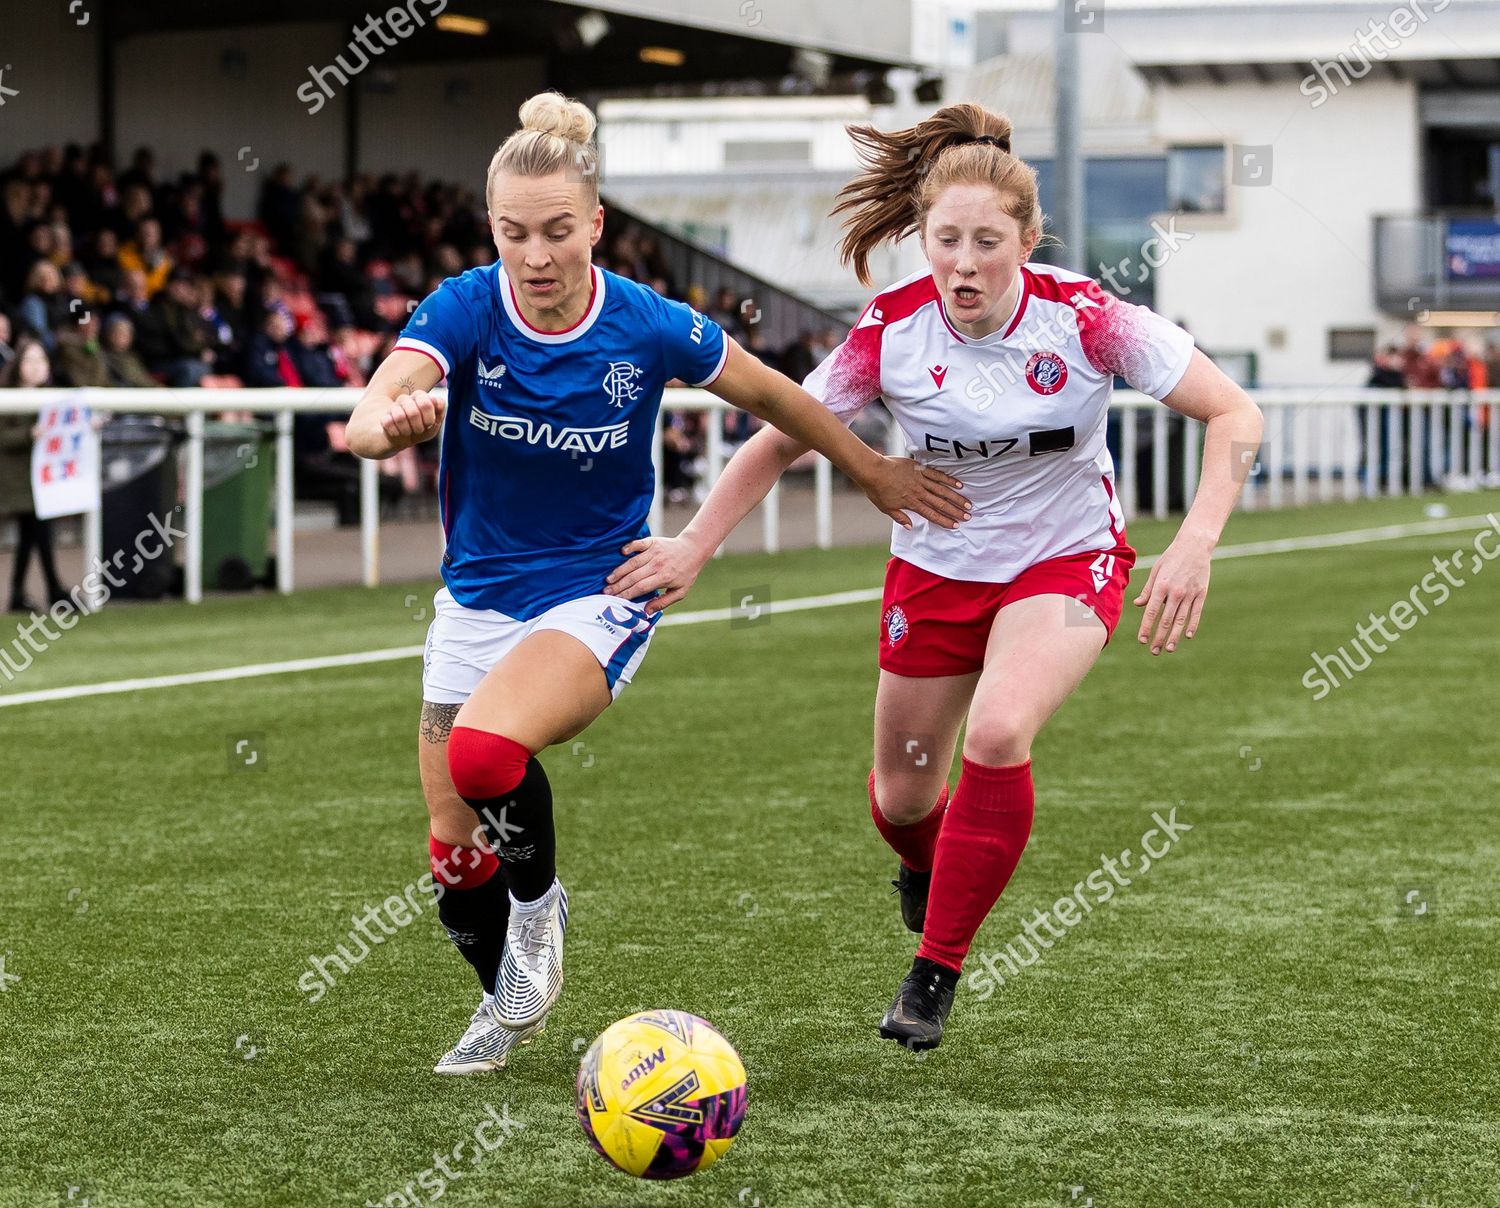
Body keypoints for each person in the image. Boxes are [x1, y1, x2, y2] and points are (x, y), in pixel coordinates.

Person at [605, 103, 1263, 1050]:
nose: (963, 262)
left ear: (1027, 242)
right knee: (904, 798)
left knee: (998, 732)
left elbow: (1234, 415)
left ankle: (934, 972)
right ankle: (928, 860)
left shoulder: (1088, 318)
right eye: (944, 239)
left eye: (988, 242)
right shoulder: (892, 330)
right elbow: (781, 434)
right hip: (937, 568)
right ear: (921, 237)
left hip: (1066, 557)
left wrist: (1196, 540)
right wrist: (694, 545)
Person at [343, 91, 968, 1077]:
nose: (537, 255)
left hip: (596, 594)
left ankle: (540, 913)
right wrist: (391, 428)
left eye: (557, 231)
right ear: (491, 229)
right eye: (514, 233)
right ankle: (501, 998)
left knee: (484, 750)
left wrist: (873, 468)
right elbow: (369, 413)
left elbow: (778, 397)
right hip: (474, 602)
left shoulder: (647, 323)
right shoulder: (464, 305)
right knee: (456, 861)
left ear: (595, 223)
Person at [0, 336, 68, 613]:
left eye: (41, 360)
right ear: (18, 365)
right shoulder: (7, 396)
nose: (36, 366)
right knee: (38, 533)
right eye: (30, 360)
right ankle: (54, 590)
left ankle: (23, 592)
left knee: (33, 535)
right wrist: (29, 435)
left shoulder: (51, 398)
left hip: (40, 481)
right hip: (16, 480)